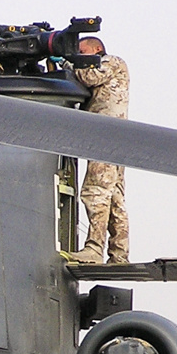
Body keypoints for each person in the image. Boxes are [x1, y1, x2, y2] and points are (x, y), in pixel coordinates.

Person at [70, 37, 130, 264]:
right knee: (114, 197)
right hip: (115, 138)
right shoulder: (113, 67)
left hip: (106, 138)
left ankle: (94, 250)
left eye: (82, 51)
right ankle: (119, 254)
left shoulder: (111, 62)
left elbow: (89, 77)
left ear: (97, 49)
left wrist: (68, 65)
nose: (79, 55)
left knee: (95, 193)